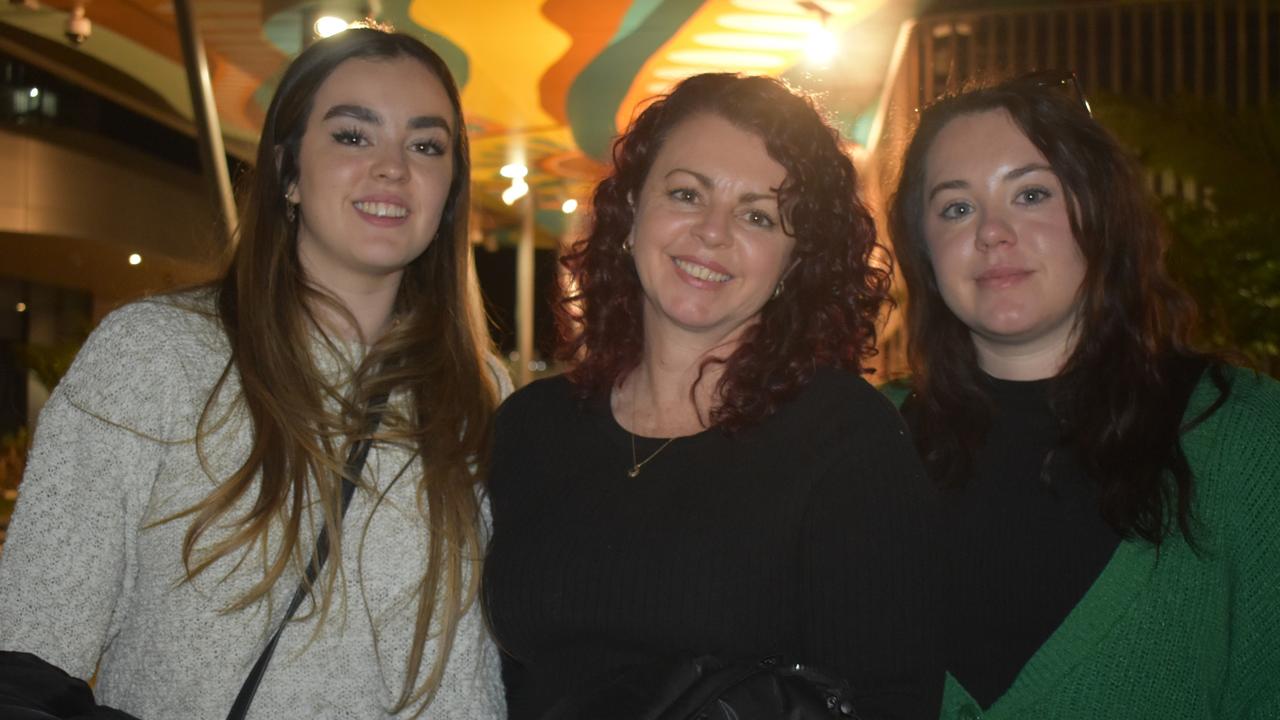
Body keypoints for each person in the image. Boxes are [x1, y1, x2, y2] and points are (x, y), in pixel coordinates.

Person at [0, 27, 508, 718]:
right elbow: (26, 661)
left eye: (425, 145)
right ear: (287, 172)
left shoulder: (479, 393)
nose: (393, 168)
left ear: (449, 192)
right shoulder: (156, 357)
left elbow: (477, 673)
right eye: (353, 136)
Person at [482, 73, 940, 720]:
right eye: (686, 194)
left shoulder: (844, 441)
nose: (713, 232)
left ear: (794, 263)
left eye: (757, 214)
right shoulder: (531, 427)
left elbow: (890, 700)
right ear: (631, 212)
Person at [886, 73, 1280, 719]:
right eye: (956, 207)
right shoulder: (859, 436)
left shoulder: (1250, 436)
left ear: (1101, 214)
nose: (992, 233)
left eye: (1031, 193)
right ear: (924, 251)